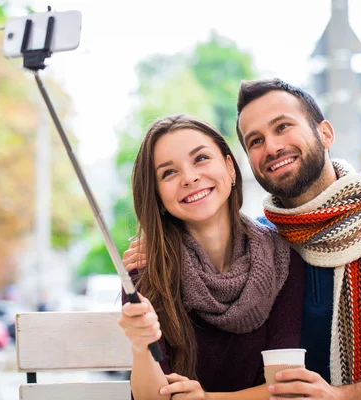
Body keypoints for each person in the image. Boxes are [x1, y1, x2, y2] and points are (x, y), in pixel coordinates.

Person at [125, 79, 361, 400]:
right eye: (255, 141)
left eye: (283, 126)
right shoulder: (273, 242)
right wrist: (160, 248)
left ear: (325, 133)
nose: (272, 147)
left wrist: (340, 396)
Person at [118, 114, 305, 400]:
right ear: (157, 196)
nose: (190, 177)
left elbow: (287, 388)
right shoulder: (145, 268)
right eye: (168, 173)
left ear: (230, 167)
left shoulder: (281, 257)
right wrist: (140, 345)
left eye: (201, 158)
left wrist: (208, 399)